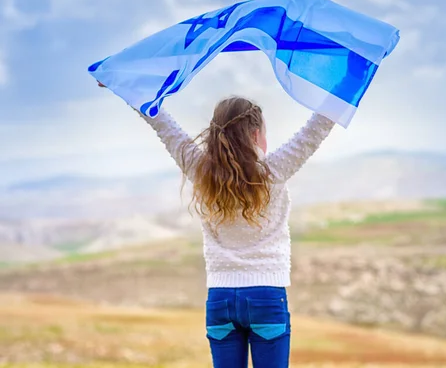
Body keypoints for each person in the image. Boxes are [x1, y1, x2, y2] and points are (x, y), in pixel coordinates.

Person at [98, 82, 335, 368]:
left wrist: (123, 84)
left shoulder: (200, 170)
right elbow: (317, 127)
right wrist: (355, 72)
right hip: (266, 296)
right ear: (257, 134)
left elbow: (162, 123)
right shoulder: (273, 171)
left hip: (220, 300)